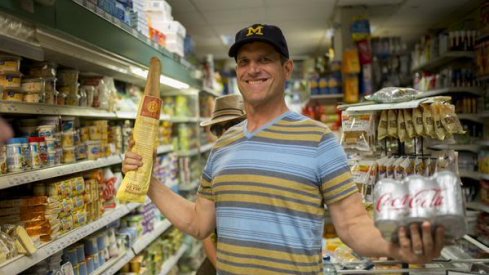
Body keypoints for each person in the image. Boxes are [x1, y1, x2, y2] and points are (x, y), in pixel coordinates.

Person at [123, 23, 445, 274]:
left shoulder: (319, 140)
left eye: (265, 59)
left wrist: (395, 247)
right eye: (244, 61)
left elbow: (352, 226)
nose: (253, 69)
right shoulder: (222, 147)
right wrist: (147, 180)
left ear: (287, 69)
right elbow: (198, 223)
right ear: (237, 73)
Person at [197, 94, 246, 275]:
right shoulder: (214, 168)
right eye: (218, 129)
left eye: (233, 126)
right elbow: (206, 231)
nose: (225, 134)